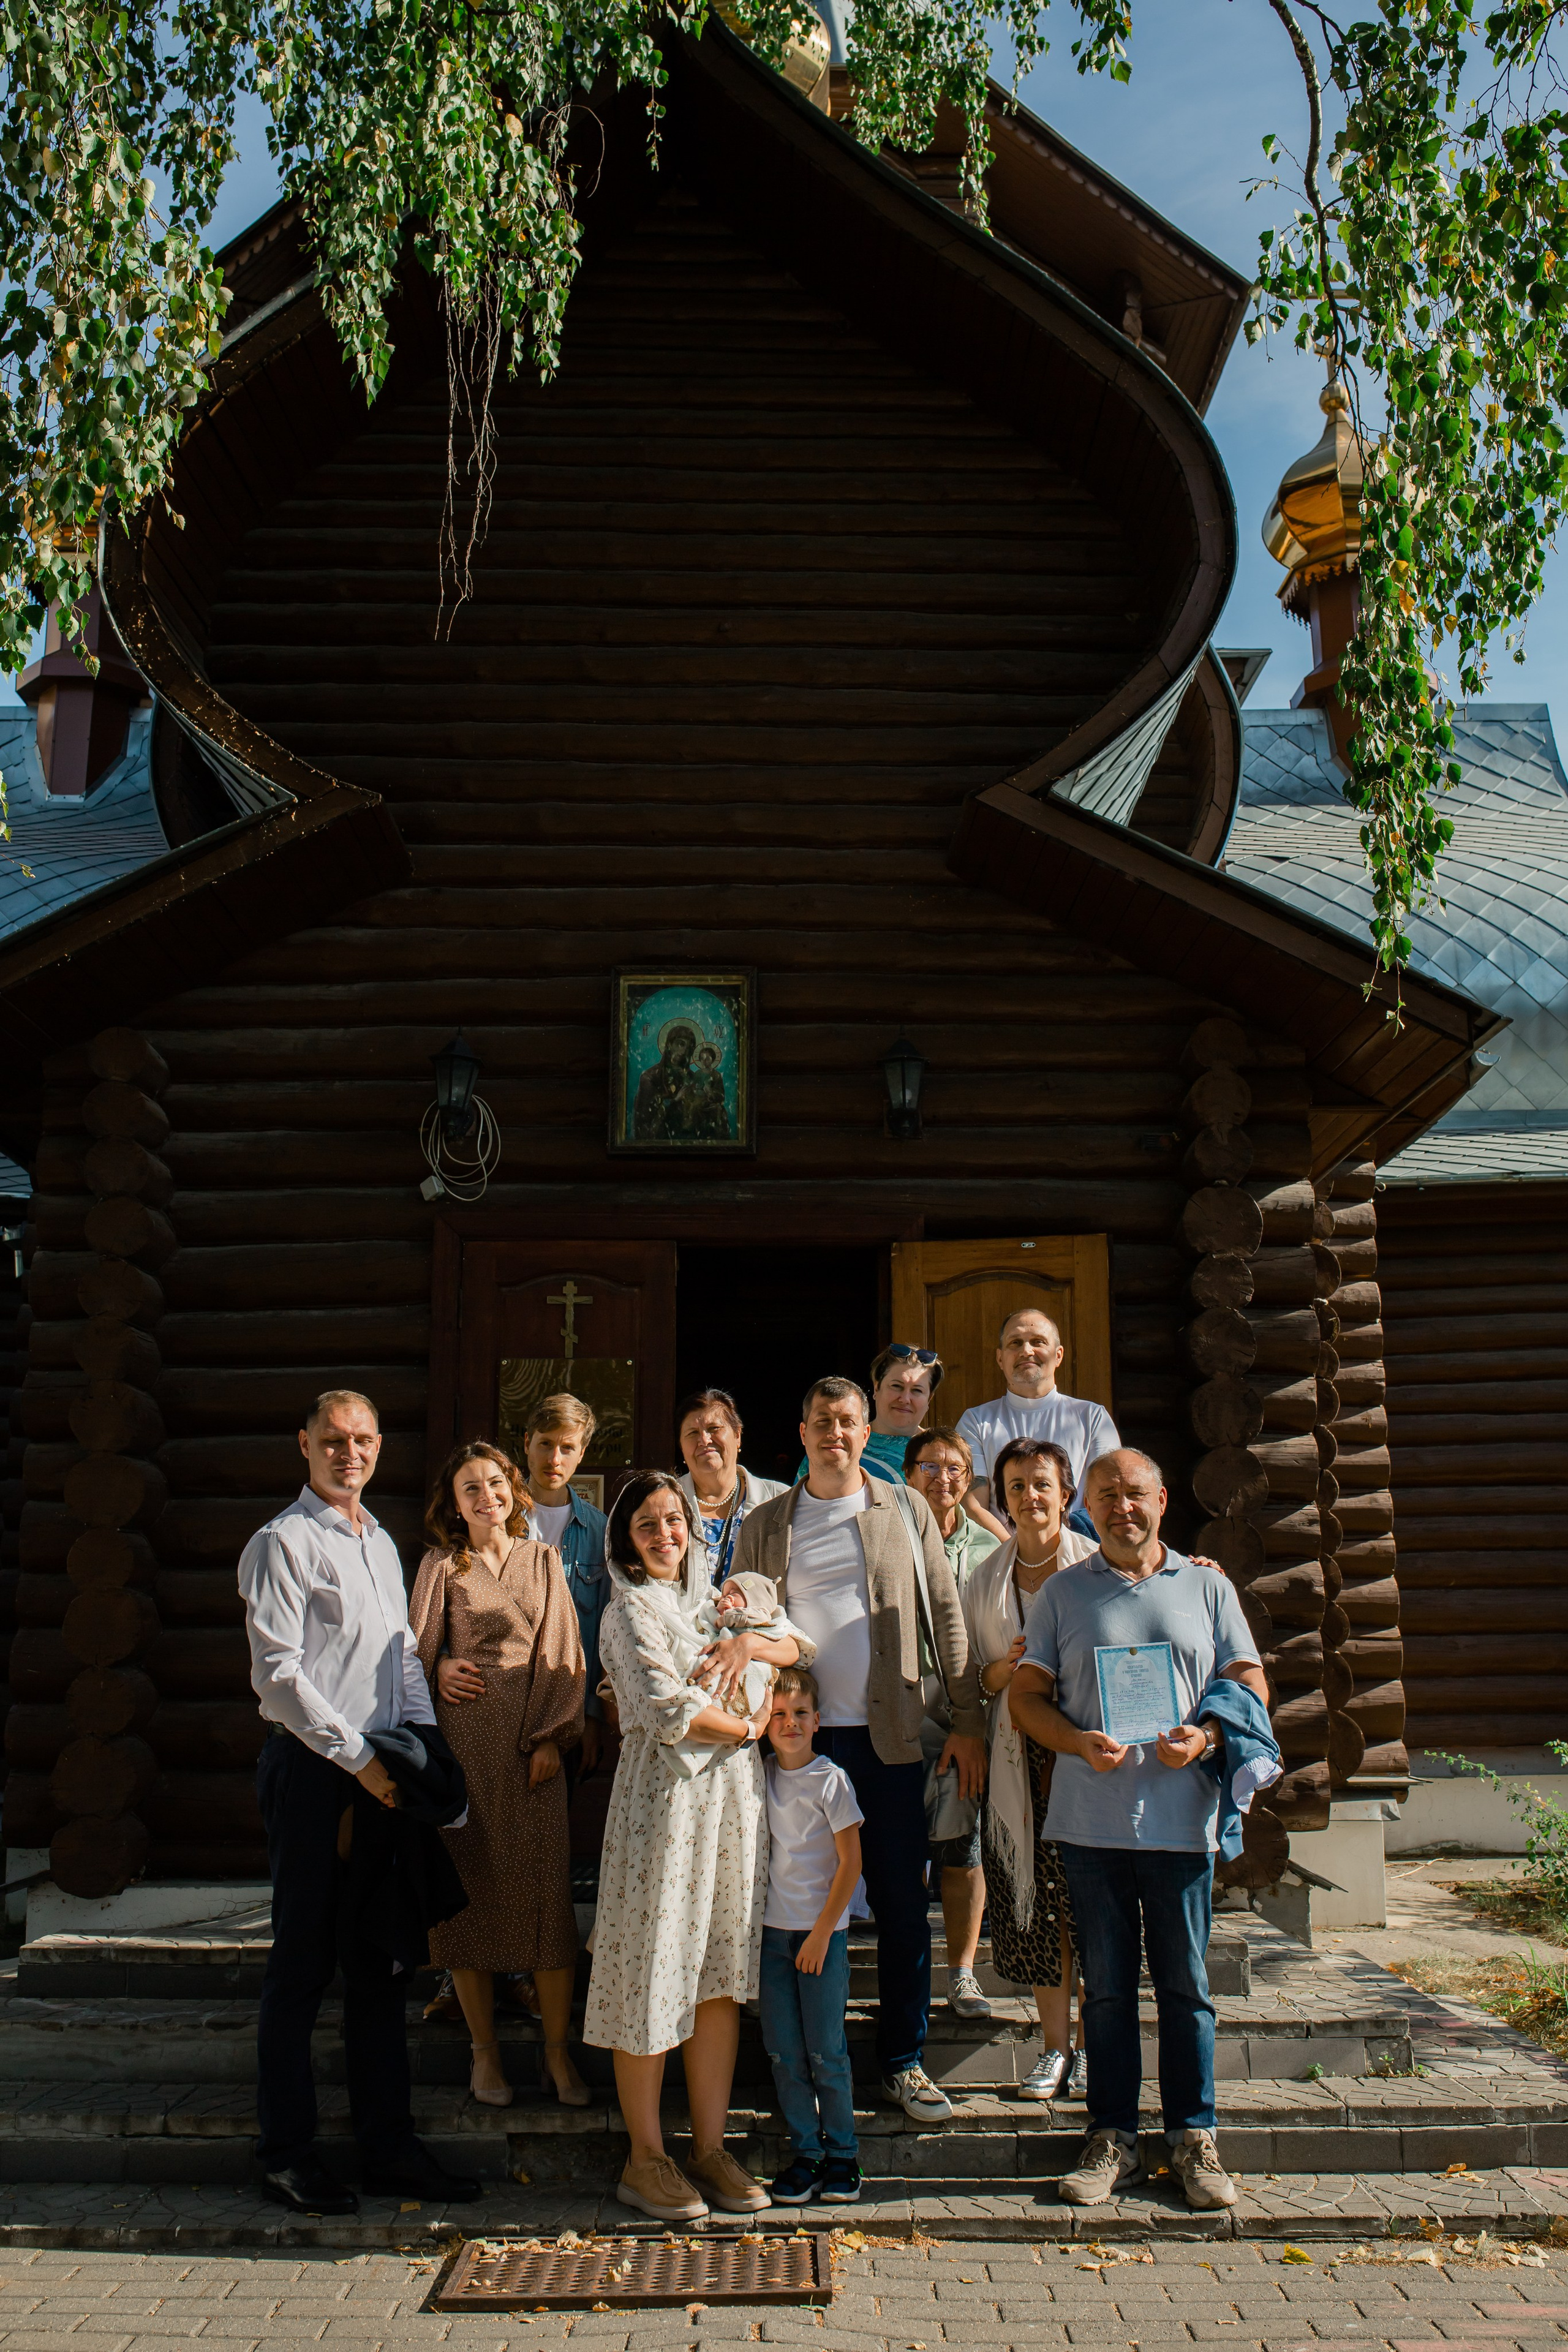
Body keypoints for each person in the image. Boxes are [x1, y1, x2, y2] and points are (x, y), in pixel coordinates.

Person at [239, 1389, 483, 2217]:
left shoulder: (379, 1541)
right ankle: (286, 2154)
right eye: (333, 1440)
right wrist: (360, 1764)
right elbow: (279, 1676)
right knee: (302, 1969)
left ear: (380, 1445)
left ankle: (389, 2151)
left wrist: (423, 1755)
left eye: (363, 1440)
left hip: (383, 1773)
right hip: (315, 1774)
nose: (350, 1453)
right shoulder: (283, 1543)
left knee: (381, 1966)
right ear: (303, 1444)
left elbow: (401, 1660)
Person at [1008, 1448, 1268, 2213]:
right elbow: (1026, 1697)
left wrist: (1210, 1740)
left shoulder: (1209, 1586)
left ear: (1161, 1500)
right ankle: (1112, 2136)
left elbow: (1247, 1683)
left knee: (1187, 1989)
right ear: (1087, 1505)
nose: (1122, 1507)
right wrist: (1072, 1741)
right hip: (1090, 1825)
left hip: (1182, 1823)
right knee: (1111, 1992)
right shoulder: (1061, 1593)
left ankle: (1193, 2137)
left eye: (1135, 1494)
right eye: (1106, 1496)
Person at [735, 1376, 986, 2123]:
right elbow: (742, 1617)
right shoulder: (770, 1520)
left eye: (847, 1421)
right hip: (795, 1742)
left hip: (889, 1739)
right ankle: (796, 2060)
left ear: (863, 1427)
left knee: (902, 1902)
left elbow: (944, 1611)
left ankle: (901, 2061)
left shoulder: (900, 1506)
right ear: (803, 1430)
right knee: (791, 1898)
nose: (834, 1433)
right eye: (822, 1421)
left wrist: (968, 1719)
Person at [583, 1471, 803, 2222]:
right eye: (647, 1525)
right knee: (651, 1969)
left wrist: (748, 1645)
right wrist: (748, 1724)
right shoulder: (628, 1612)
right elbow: (666, 1708)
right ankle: (645, 2158)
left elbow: (797, 1645)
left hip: (731, 1808)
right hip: (664, 1810)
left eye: (674, 1521)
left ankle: (709, 2149)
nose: (665, 1534)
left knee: (717, 1973)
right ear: (626, 1542)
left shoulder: (717, 1607)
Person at [409, 1441, 588, 2111]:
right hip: (466, 1751)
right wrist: (438, 1671)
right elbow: (411, 1652)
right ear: (453, 1505)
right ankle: (484, 2056)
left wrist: (551, 1737)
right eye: (470, 1489)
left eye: (495, 1483)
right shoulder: (440, 1566)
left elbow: (564, 1648)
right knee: (471, 1897)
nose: (486, 1496)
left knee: (545, 1903)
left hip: (530, 1753)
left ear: (514, 1490)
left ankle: (556, 2054)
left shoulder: (543, 1561)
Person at [962, 1436, 1096, 2100]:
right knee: (1042, 1907)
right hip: (1020, 1760)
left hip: (1089, 1756)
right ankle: (1054, 2048)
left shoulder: (1101, 1565)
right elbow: (972, 1678)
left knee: (1095, 1906)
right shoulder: (984, 1578)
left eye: (1041, 1483)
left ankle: (1098, 2045)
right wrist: (1006, 1669)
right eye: (1015, 1486)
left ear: (1065, 1493)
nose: (1029, 1497)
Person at [902, 1425, 1000, 2024]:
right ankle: (908, 1968)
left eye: (955, 1470)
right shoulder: (887, 1539)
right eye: (930, 1468)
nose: (943, 1480)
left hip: (964, 1719)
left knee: (962, 1849)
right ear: (908, 1474)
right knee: (903, 1850)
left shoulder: (990, 1552)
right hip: (898, 1716)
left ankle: (961, 1973)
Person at [759, 1665, 864, 2207]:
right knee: (784, 2052)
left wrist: (823, 1933)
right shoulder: (761, 1776)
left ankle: (843, 2155)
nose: (790, 1723)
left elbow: (851, 1863)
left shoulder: (831, 1780)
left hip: (821, 1935)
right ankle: (806, 2153)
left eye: (800, 1713)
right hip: (772, 1937)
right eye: (778, 1714)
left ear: (818, 1720)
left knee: (827, 2051)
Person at [956, 1307, 1119, 1529]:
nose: (1026, 1351)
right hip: (1002, 1556)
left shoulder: (1092, 1418)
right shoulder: (975, 1421)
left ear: (1059, 1355)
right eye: (1015, 1343)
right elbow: (973, 1506)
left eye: (1038, 1342)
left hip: (1078, 1555)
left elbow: (1108, 1494)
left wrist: (1068, 1551)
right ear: (1000, 1358)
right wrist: (1015, 1554)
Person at [521, 1394, 610, 1776]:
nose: (554, 1459)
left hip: (568, 1711)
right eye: (545, 1444)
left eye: (567, 1447)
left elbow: (603, 1634)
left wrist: (592, 1717)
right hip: (501, 1699)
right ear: (527, 1443)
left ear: (582, 1452)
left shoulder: (600, 1530)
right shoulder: (496, 1519)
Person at [676, 1387, 788, 1584]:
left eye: (714, 1429)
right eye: (693, 1433)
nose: (704, 1440)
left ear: (738, 1435)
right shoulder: (661, 1503)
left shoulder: (781, 1500)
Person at [794, 1343, 944, 1487]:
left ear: (929, 1398)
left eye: (917, 1390)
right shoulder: (834, 1446)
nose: (905, 1399)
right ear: (877, 1387)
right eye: (897, 1386)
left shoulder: (944, 1453)